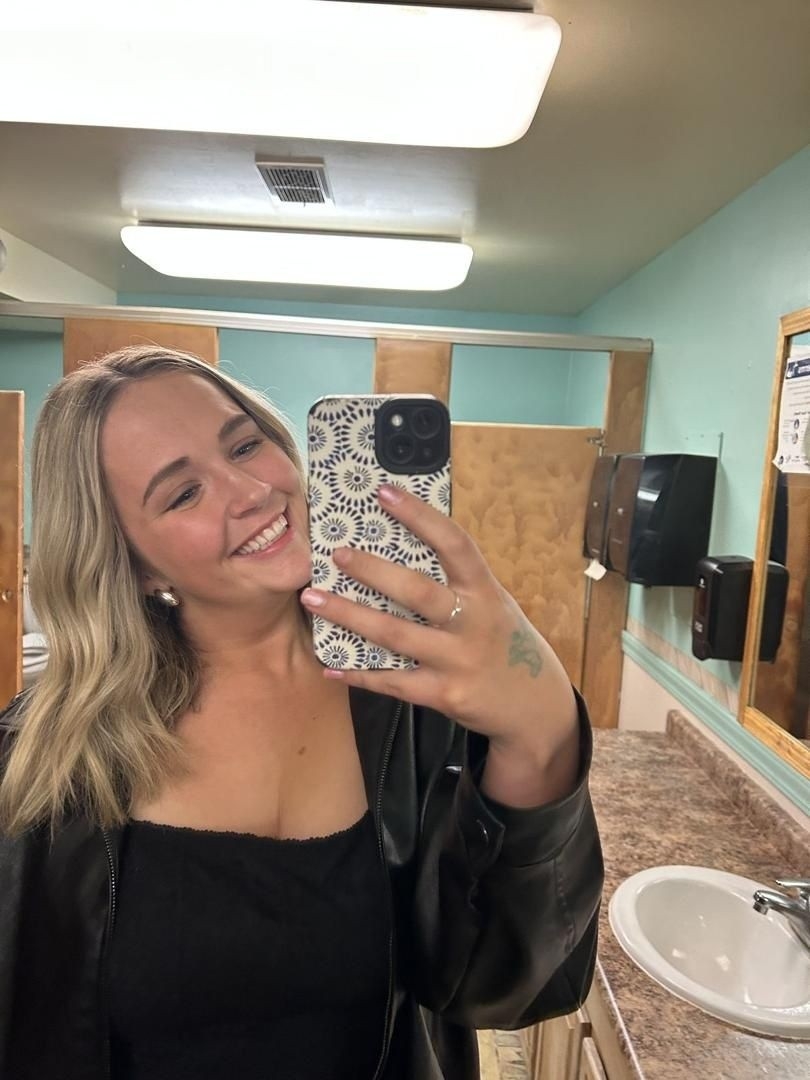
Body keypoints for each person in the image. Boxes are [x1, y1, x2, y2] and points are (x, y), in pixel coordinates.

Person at [0, 346, 603, 1080]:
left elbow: (500, 987)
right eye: (182, 494)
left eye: (243, 445)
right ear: (134, 564)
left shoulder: (414, 696)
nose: (252, 490)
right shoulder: (44, 758)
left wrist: (542, 732)